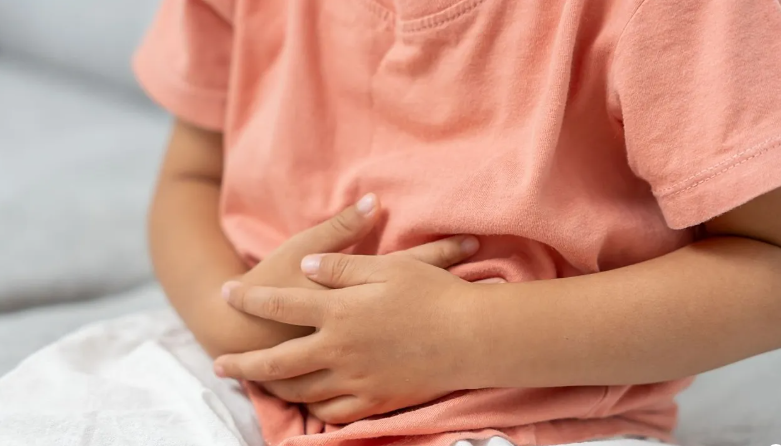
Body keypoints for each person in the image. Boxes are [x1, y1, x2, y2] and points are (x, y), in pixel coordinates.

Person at [134, 0, 781, 445]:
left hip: (531, 419)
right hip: (228, 375)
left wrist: (462, 335)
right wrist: (226, 319)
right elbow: (192, 177)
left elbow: (768, 266)